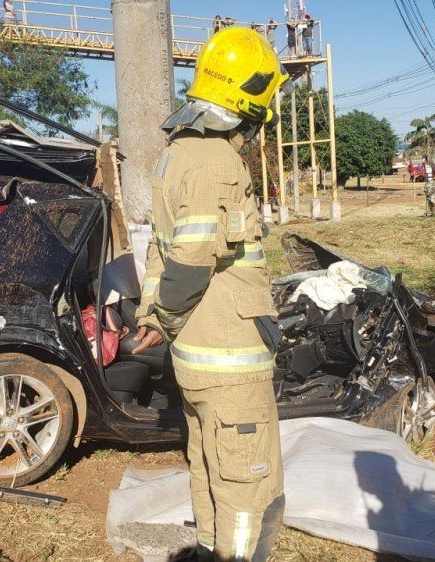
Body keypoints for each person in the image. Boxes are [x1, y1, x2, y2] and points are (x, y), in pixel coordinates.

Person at [134, 26, 287, 562]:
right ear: (250, 98)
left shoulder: (177, 153)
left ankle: (207, 551)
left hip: (197, 362)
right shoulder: (217, 162)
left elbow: (161, 248)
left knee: (207, 464)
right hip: (230, 363)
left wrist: (152, 317)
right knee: (248, 485)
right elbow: (192, 261)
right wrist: (167, 318)